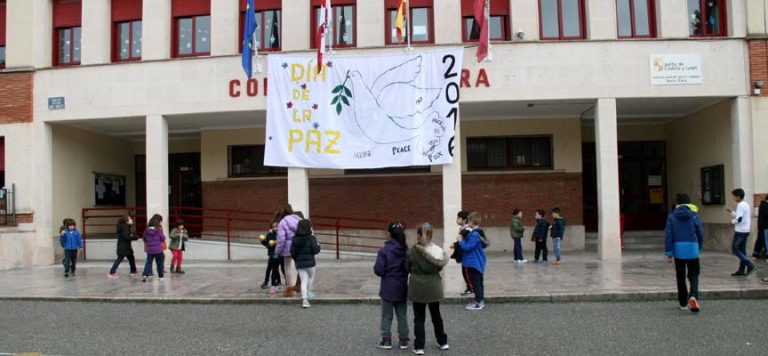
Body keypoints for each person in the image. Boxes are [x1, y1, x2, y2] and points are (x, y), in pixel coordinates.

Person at [407, 223, 449, 355]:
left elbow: (407, 267)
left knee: (419, 318)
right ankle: (442, 342)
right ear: (431, 235)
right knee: (436, 315)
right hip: (433, 286)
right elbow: (439, 267)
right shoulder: (438, 250)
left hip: (417, 286)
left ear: (419, 236)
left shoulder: (412, 251)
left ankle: (419, 346)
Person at [664, 193, 704, 313]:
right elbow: (700, 232)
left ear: (676, 203)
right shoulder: (694, 215)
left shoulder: (672, 216)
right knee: (694, 274)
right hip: (692, 248)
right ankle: (693, 296)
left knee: (680, 276)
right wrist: (699, 247)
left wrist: (669, 253)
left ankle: (683, 303)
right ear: (689, 203)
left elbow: (668, 235)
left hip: (678, 250)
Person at [374, 222, 410, 350]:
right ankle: (404, 340)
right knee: (402, 315)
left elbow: (378, 270)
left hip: (388, 287)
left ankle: (386, 340)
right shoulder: (406, 250)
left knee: (386, 316)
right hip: (402, 287)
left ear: (389, 234)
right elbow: (409, 267)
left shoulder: (384, 251)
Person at [458, 212, 488, 311]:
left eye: (468, 222)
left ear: (471, 222)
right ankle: (480, 300)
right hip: (478, 262)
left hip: (473, 263)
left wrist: (460, 240)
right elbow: (483, 245)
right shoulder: (479, 233)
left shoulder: (474, 234)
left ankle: (478, 302)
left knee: (476, 283)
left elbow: (467, 247)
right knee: (479, 283)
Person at [726, 188, 758, 277]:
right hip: (746, 230)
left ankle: (750, 265)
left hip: (740, 231)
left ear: (738, 196)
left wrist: (731, 222)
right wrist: (731, 212)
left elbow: (739, 219)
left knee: (735, 249)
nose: (733, 198)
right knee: (742, 251)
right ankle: (741, 270)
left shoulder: (740, 205)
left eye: (734, 196)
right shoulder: (746, 204)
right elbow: (739, 216)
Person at [290, 219, 321, 308]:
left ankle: (305, 300)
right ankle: (307, 292)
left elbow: (292, 252)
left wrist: (296, 260)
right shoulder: (311, 238)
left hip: (300, 263)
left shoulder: (294, 239)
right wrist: (318, 245)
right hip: (310, 263)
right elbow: (315, 250)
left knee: (303, 281)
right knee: (310, 278)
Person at [275, 204, 302, 297]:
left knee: (287, 267)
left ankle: (289, 289)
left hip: (288, 247)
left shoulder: (282, 222)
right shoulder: (298, 219)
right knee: (300, 267)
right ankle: (299, 286)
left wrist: (277, 251)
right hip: (298, 245)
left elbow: (281, 239)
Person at [449, 211, 474, 296]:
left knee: (466, 272)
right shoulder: (463, 228)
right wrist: (455, 244)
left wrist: (456, 242)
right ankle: (470, 287)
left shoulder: (467, 229)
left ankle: (471, 288)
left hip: (467, 256)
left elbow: (462, 237)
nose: (457, 220)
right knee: (465, 272)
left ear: (465, 220)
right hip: (465, 255)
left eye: (458, 218)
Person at [142, 214, 167, 282]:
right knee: (159, 263)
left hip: (150, 250)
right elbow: (163, 239)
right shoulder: (159, 230)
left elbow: (144, 239)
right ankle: (161, 277)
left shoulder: (146, 230)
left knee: (148, 263)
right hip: (158, 250)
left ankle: (145, 275)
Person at [261, 221, 283, 293]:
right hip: (271, 254)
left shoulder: (281, 234)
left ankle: (276, 283)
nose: (275, 228)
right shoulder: (269, 234)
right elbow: (267, 245)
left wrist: (276, 242)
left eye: (277, 227)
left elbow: (282, 242)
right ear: (272, 228)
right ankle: (267, 282)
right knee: (270, 268)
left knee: (275, 269)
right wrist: (263, 242)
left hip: (278, 254)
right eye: (274, 227)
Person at [754, 195, 768, 260]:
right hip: (765, 226)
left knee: (760, 240)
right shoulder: (765, 205)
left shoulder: (763, 205)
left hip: (762, 226)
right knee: (766, 240)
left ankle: (756, 253)